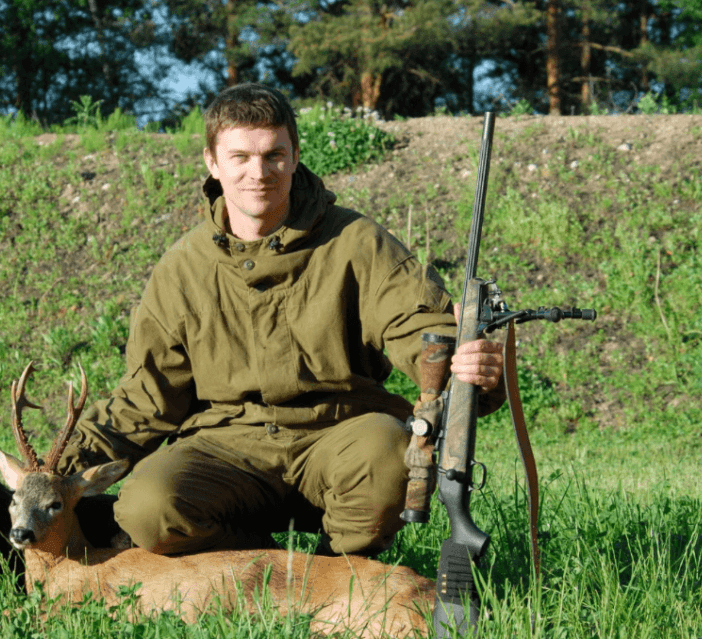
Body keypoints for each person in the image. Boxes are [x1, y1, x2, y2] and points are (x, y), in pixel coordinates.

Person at [56, 83, 505, 557]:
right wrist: (58, 465)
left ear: (294, 156)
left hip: (339, 434)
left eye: (274, 155)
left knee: (387, 454)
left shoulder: (357, 241)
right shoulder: (182, 267)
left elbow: (417, 325)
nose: (259, 172)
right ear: (212, 162)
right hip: (227, 448)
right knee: (147, 507)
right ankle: (268, 572)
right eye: (240, 157)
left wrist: (464, 364)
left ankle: (343, 577)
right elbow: (146, 400)